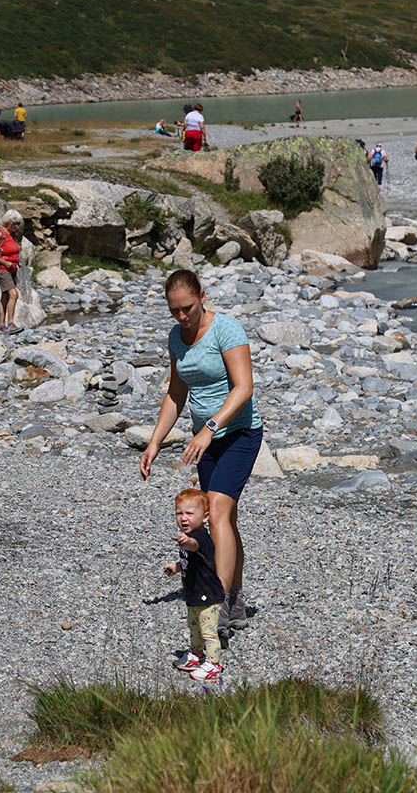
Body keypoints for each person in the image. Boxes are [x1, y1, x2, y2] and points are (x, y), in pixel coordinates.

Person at [140, 270, 262, 634]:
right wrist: (155, 442)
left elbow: (244, 388)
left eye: (187, 309)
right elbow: (177, 393)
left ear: (203, 297)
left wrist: (211, 427)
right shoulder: (177, 338)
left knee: (219, 511)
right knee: (226, 521)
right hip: (203, 438)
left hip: (239, 433)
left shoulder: (227, 329)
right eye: (174, 311)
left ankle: (218, 601)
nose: (182, 317)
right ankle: (237, 598)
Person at [162, 488, 225, 682]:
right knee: (194, 626)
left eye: (189, 513)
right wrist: (177, 567)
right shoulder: (189, 537)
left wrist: (187, 542)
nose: (183, 518)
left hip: (209, 595)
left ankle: (214, 664)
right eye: (179, 513)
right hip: (194, 594)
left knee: (209, 632)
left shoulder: (200, 538)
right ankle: (197, 654)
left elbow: (195, 547)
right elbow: (193, 560)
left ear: (205, 517)